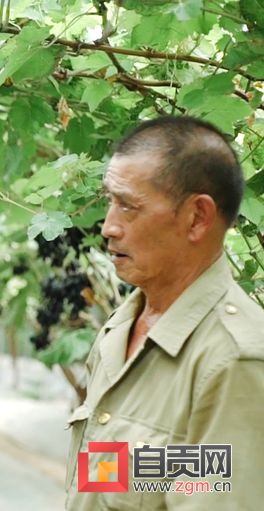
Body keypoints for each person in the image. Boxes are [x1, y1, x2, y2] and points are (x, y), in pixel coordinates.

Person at [66, 116, 264, 509]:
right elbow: (118, 480)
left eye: (128, 206)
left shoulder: (232, 360)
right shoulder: (122, 328)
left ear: (197, 218)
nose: (108, 227)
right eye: (110, 201)